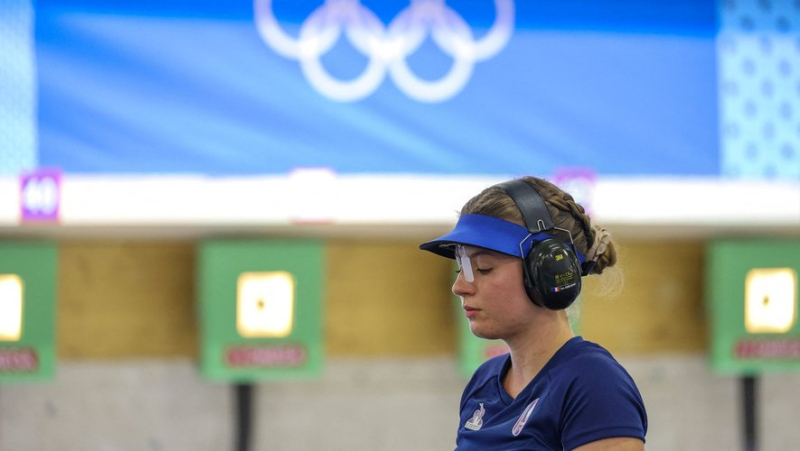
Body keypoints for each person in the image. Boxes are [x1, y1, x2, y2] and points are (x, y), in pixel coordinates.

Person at [419, 176, 647, 450]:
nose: (460, 287)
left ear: (546, 272)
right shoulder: (484, 383)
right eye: (461, 269)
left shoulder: (593, 383)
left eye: (483, 268)